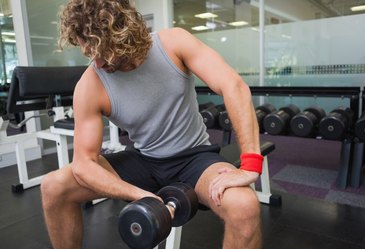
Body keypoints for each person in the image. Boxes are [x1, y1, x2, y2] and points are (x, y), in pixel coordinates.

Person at [41, 0, 263, 248]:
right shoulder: (90, 85)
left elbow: (233, 86)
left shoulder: (174, 43)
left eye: (104, 51)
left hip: (194, 159)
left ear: (125, 30)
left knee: (244, 206)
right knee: (53, 186)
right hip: (143, 161)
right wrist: (140, 195)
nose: (99, 62)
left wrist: (251, 164)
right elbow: (83, 164)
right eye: (89, 52)